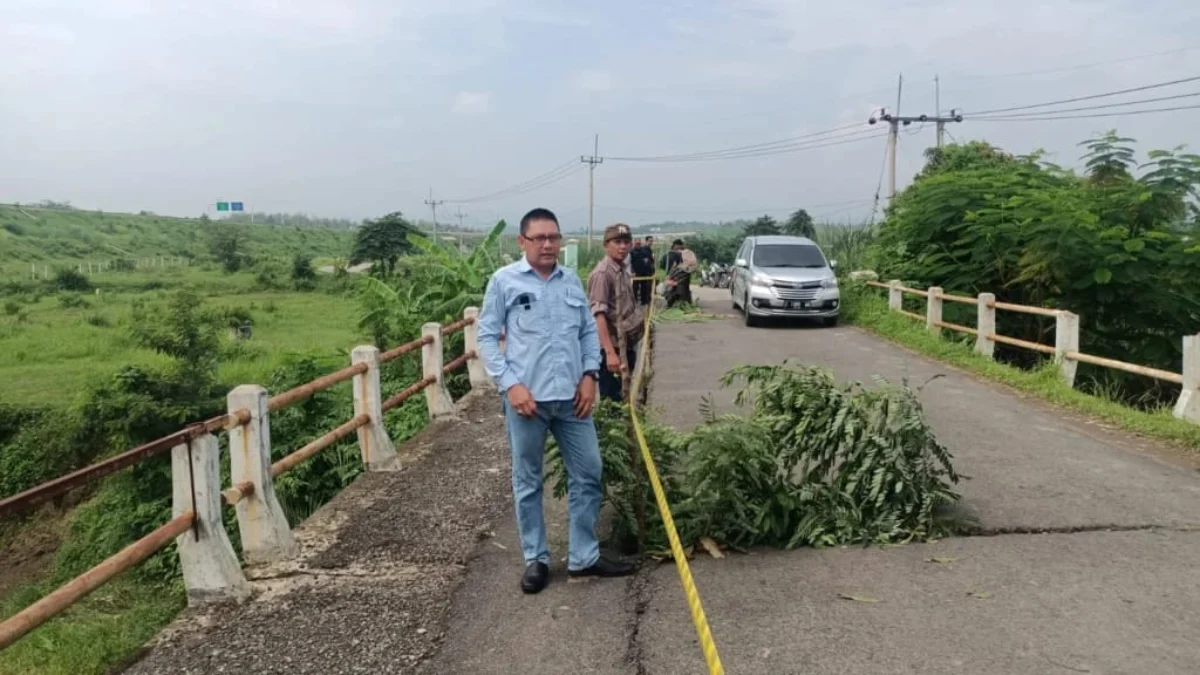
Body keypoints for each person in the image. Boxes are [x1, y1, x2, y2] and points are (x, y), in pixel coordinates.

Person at [477, 207, 636, 595]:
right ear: (522, 242)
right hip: (526, 402)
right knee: (528, 481)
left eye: (554, 237)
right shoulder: (504, 282)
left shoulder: (571, 282)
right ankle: (537, 559)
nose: (548, 245)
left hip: (572, 401)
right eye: (540, 238)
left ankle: (584, 556)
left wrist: (589, 376)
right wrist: (510, 385)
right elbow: (485, 338)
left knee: (589, 472)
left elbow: (585, 332)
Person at [586, 223, 645, 403]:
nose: (623, 246)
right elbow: (599, 315)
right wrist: (610, 353)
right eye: (617, 242)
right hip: (612, 348)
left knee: (623, 397)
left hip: (625, 345)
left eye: (626, 242)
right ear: (606, 245)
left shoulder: (621, 270)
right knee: (612, 402)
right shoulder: (603, 274)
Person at [629, 236, 655, 306]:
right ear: (634, 243)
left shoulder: (643, 251)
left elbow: (649, 259)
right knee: (635, 287)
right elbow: (630, 262)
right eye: (637, 243)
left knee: (644, 287)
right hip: (636, 273)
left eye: (639, 243)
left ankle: (644, 301)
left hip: (644, 272)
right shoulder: (631, 252)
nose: (638, 244)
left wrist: (648, 262)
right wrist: (632, 271)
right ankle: (634, 302)